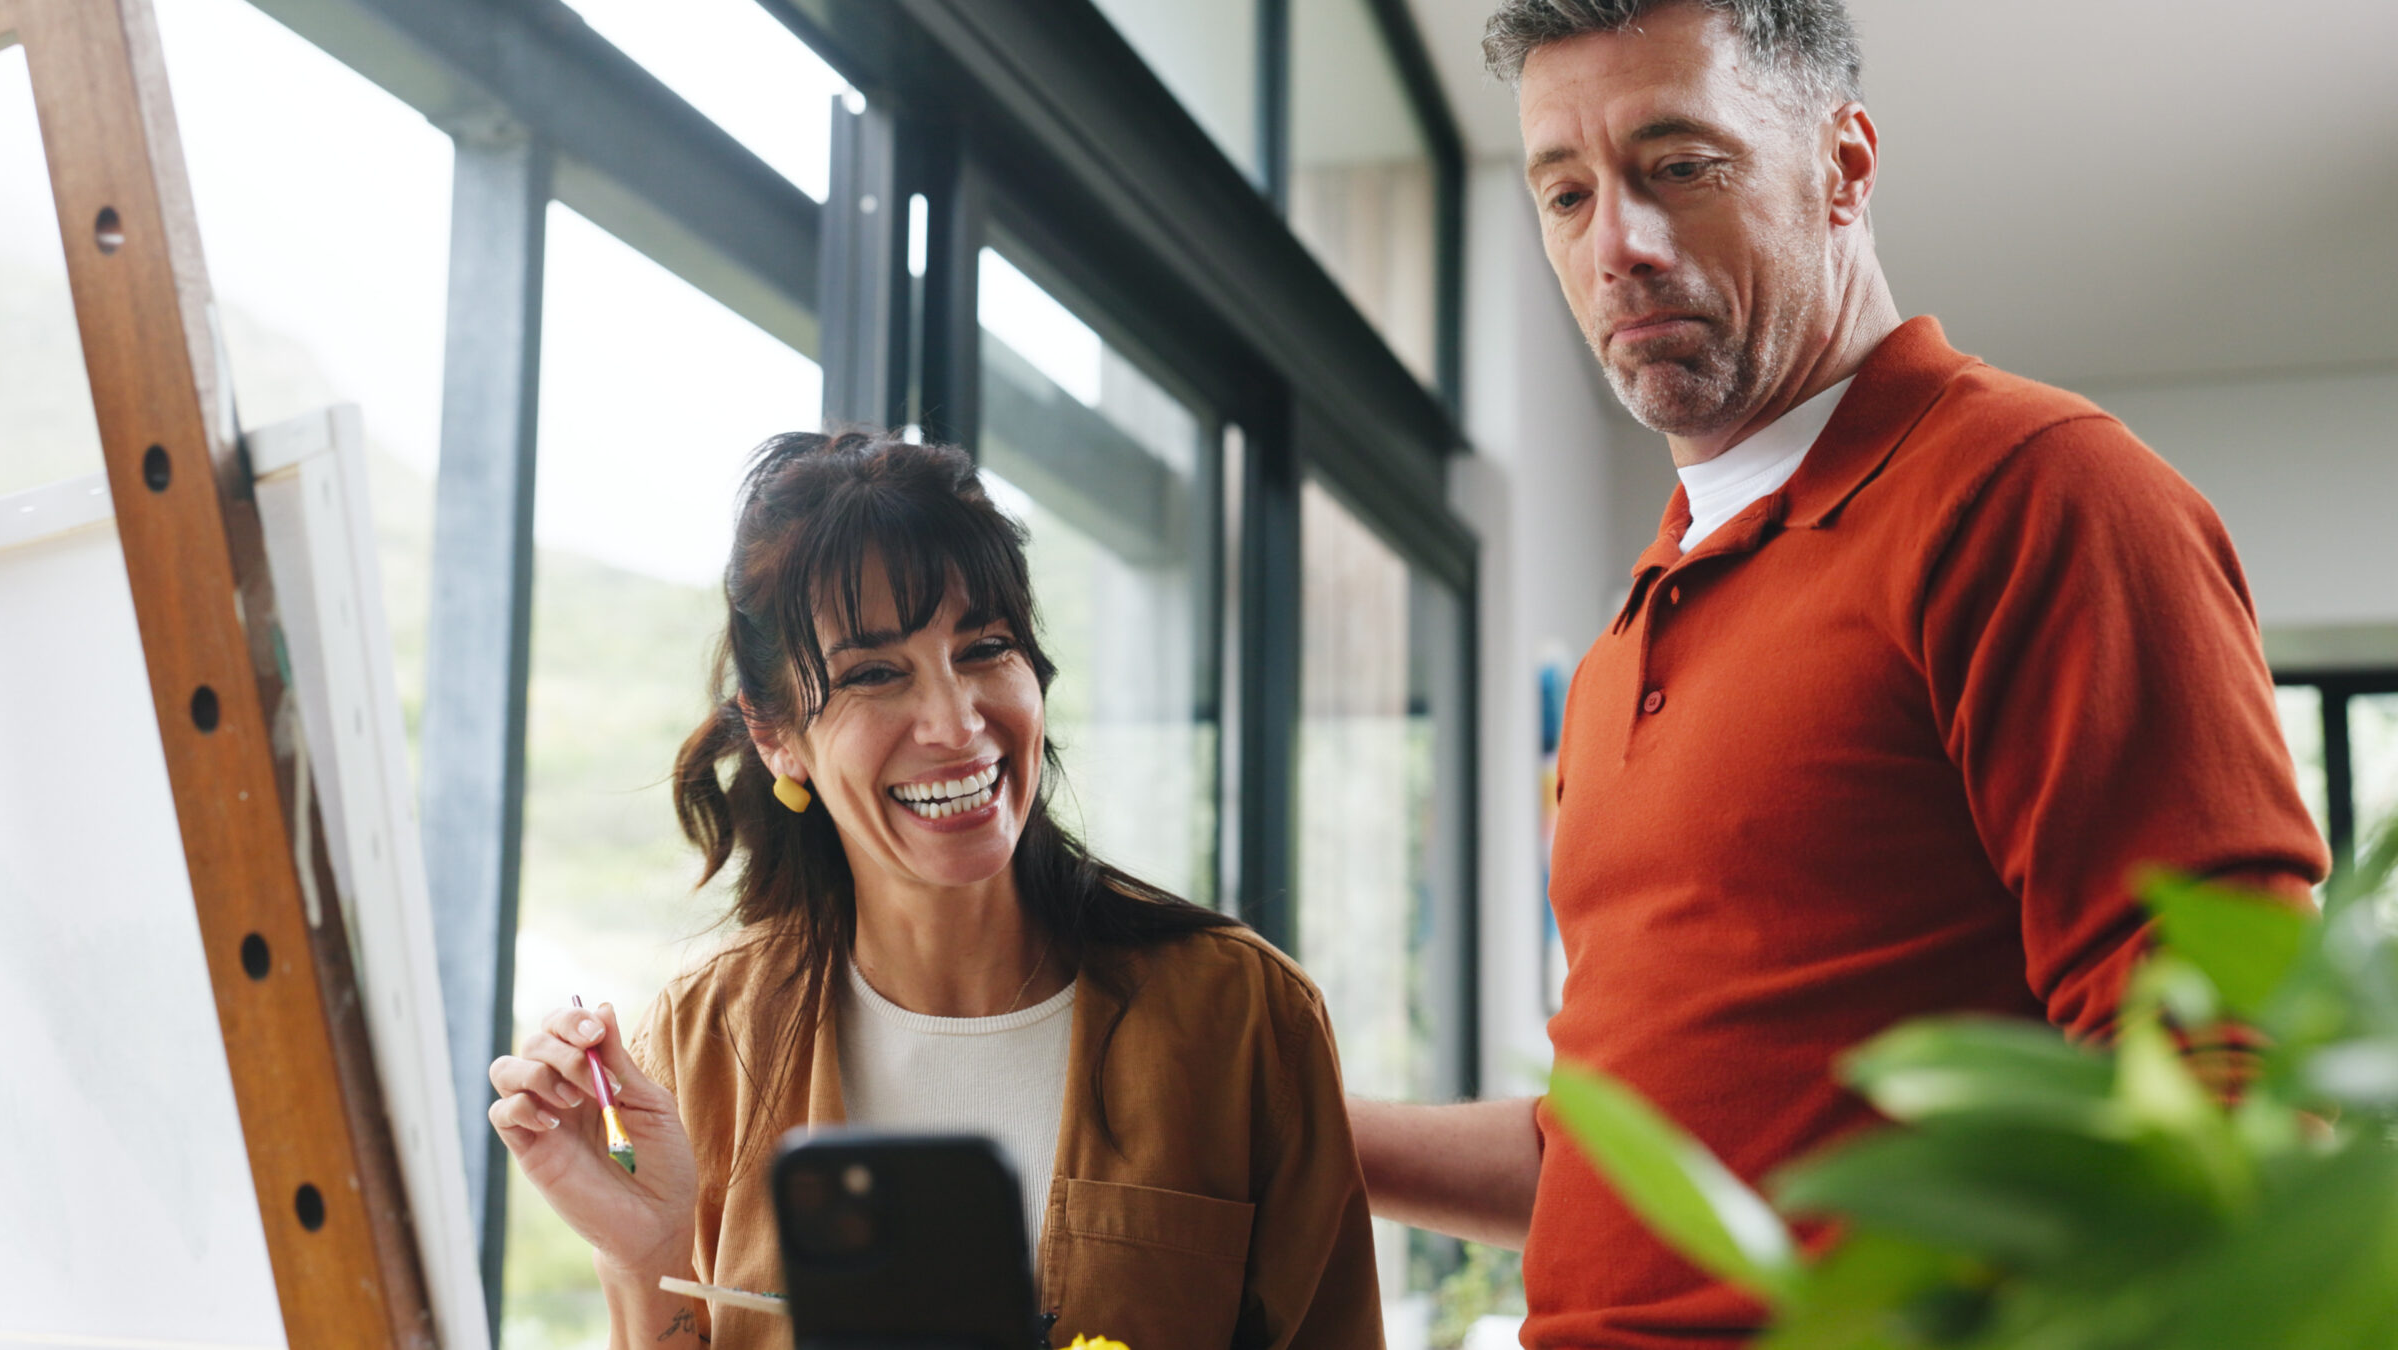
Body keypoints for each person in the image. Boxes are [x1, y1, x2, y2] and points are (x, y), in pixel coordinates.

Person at [1347, 2, 2330, 1346]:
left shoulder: (2038, 494)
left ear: (1846, 169)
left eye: (1678, 166)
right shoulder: (1617, 648)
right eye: (1566, 194)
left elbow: (2232, 1078)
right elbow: (1629, 1161)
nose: (1614, 247)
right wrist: (1298, 1134)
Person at [487, 431, 1381, 1349]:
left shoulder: (1241, 1017)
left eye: (985, 647)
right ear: (775, 736)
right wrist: (647, 1256)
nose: (955, 723)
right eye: (874, 673)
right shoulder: (702, 1044)